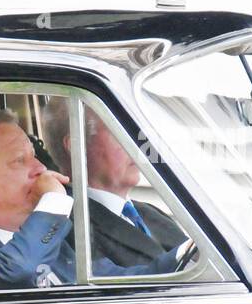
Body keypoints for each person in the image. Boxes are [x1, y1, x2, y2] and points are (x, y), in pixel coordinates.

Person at [0, 111, 191, 292]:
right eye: (19, 161)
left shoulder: (31, 238)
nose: (39, 168)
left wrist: (188, 253)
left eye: (34, 156)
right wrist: (54, 203)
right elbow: (16, 273)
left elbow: (122, 280)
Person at [41, 98, 187, 266]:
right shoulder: (68, 227)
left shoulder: (151, 212)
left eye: (134, 133)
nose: (135, 144)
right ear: (77, 145)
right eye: (120, 133)